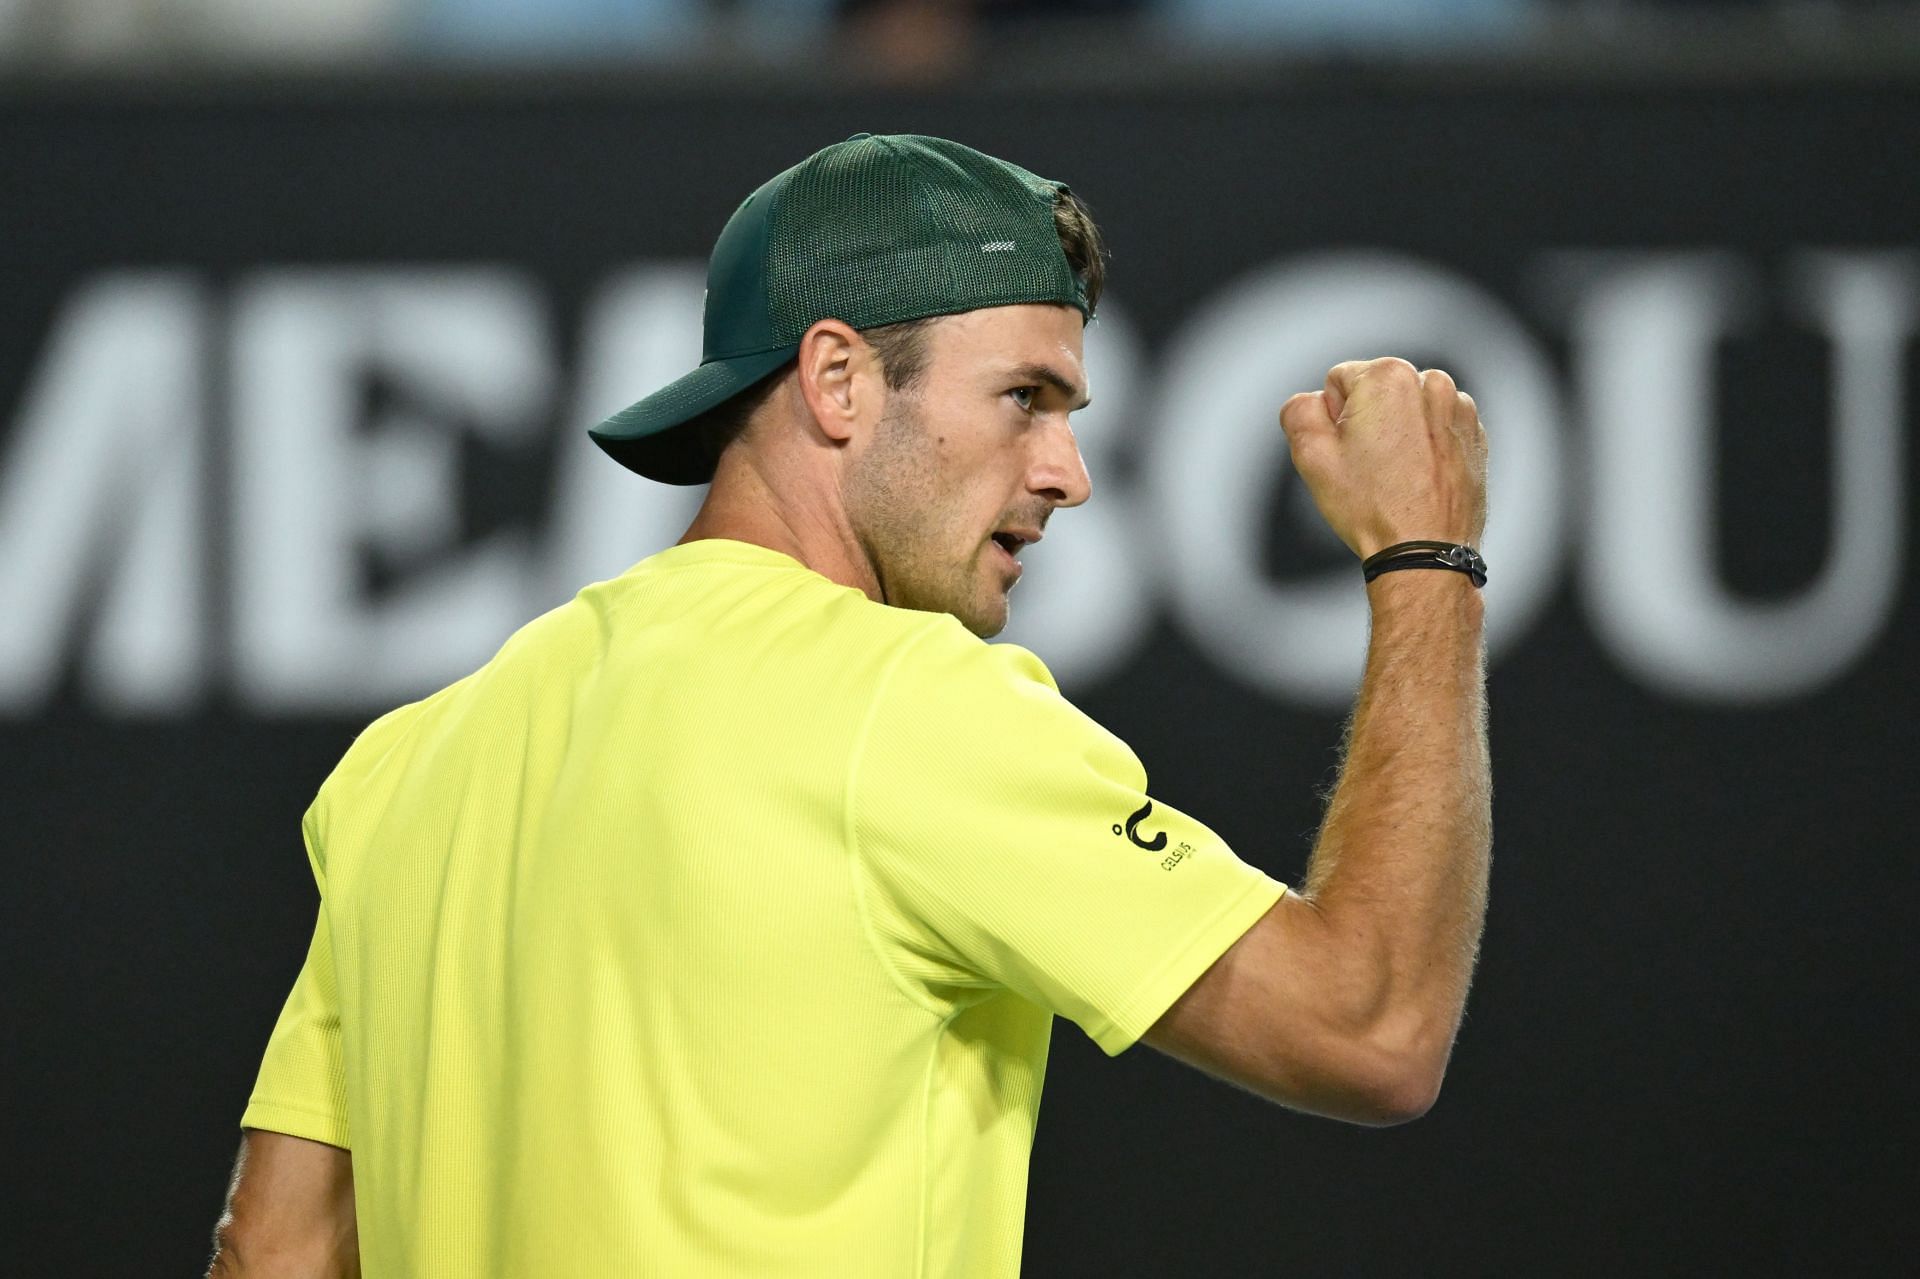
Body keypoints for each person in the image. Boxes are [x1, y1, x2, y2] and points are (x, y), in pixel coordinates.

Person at [208, 132, 1491, 1278]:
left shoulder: (408, 763)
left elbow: (276, 1250)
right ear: (836, 381)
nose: (1069, 472)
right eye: (1024, 398)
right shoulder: (916, 706)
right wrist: (1425, 561)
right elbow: (1370, 1028)